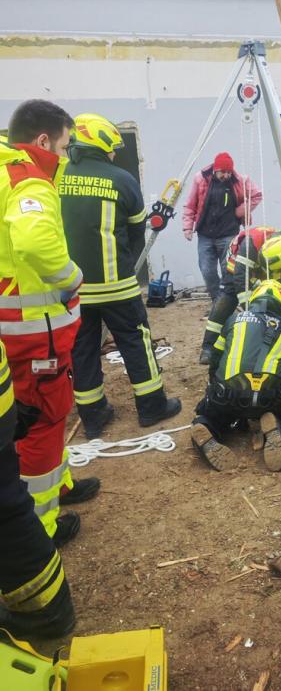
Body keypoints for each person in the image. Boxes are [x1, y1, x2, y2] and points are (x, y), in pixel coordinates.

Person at [2, 100, 97, 548]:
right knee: (42, 422)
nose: (64, 157)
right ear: (43, 140)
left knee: (48, 413)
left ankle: (61, 484)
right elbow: (34, 241)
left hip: (20, 330)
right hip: (34, 334)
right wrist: (71, 277)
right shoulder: (28, 180)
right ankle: (42, 529)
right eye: (63, 147)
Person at [59, 113, 182, 439]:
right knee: (135, 343)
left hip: (75, 288)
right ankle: (152, 406)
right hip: (118, 286)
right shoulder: (123, 179)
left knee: (82, 350)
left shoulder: (58, 177)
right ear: (100, 145)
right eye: (112, 148)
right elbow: (137, 231)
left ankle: (93, 416)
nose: (114, 153)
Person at [0, 338, 76, 639]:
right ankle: (48, 521)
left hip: (37, 351)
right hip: (33, 352)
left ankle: (46, 611)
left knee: (46, 430)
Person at [191, 280, 281, 472]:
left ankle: (206, 428)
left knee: (212, 414)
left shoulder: (233, 320)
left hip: (228, 394)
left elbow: (215, 359)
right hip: (267, 399)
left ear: (254, 298)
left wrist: (213, 391)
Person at [199, 228, 281, 363]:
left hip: (271, 269)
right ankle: (209, 347)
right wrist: (254, 315)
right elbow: (241, 283)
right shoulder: (249, 246)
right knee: (225, 301)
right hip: (238, 270)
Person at [182, 151, 262, 303]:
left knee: (228, 271)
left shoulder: (240, 181)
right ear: (215, 170)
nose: (226, 175)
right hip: (205, 235)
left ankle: (227, 303)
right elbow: (190, 204)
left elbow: (257, 195)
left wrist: (240, 211)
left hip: (228, 235)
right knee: (207, 271)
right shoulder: (200, 179)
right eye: (223, 172)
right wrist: (187, 227)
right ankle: (217, 301)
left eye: (229, 172)